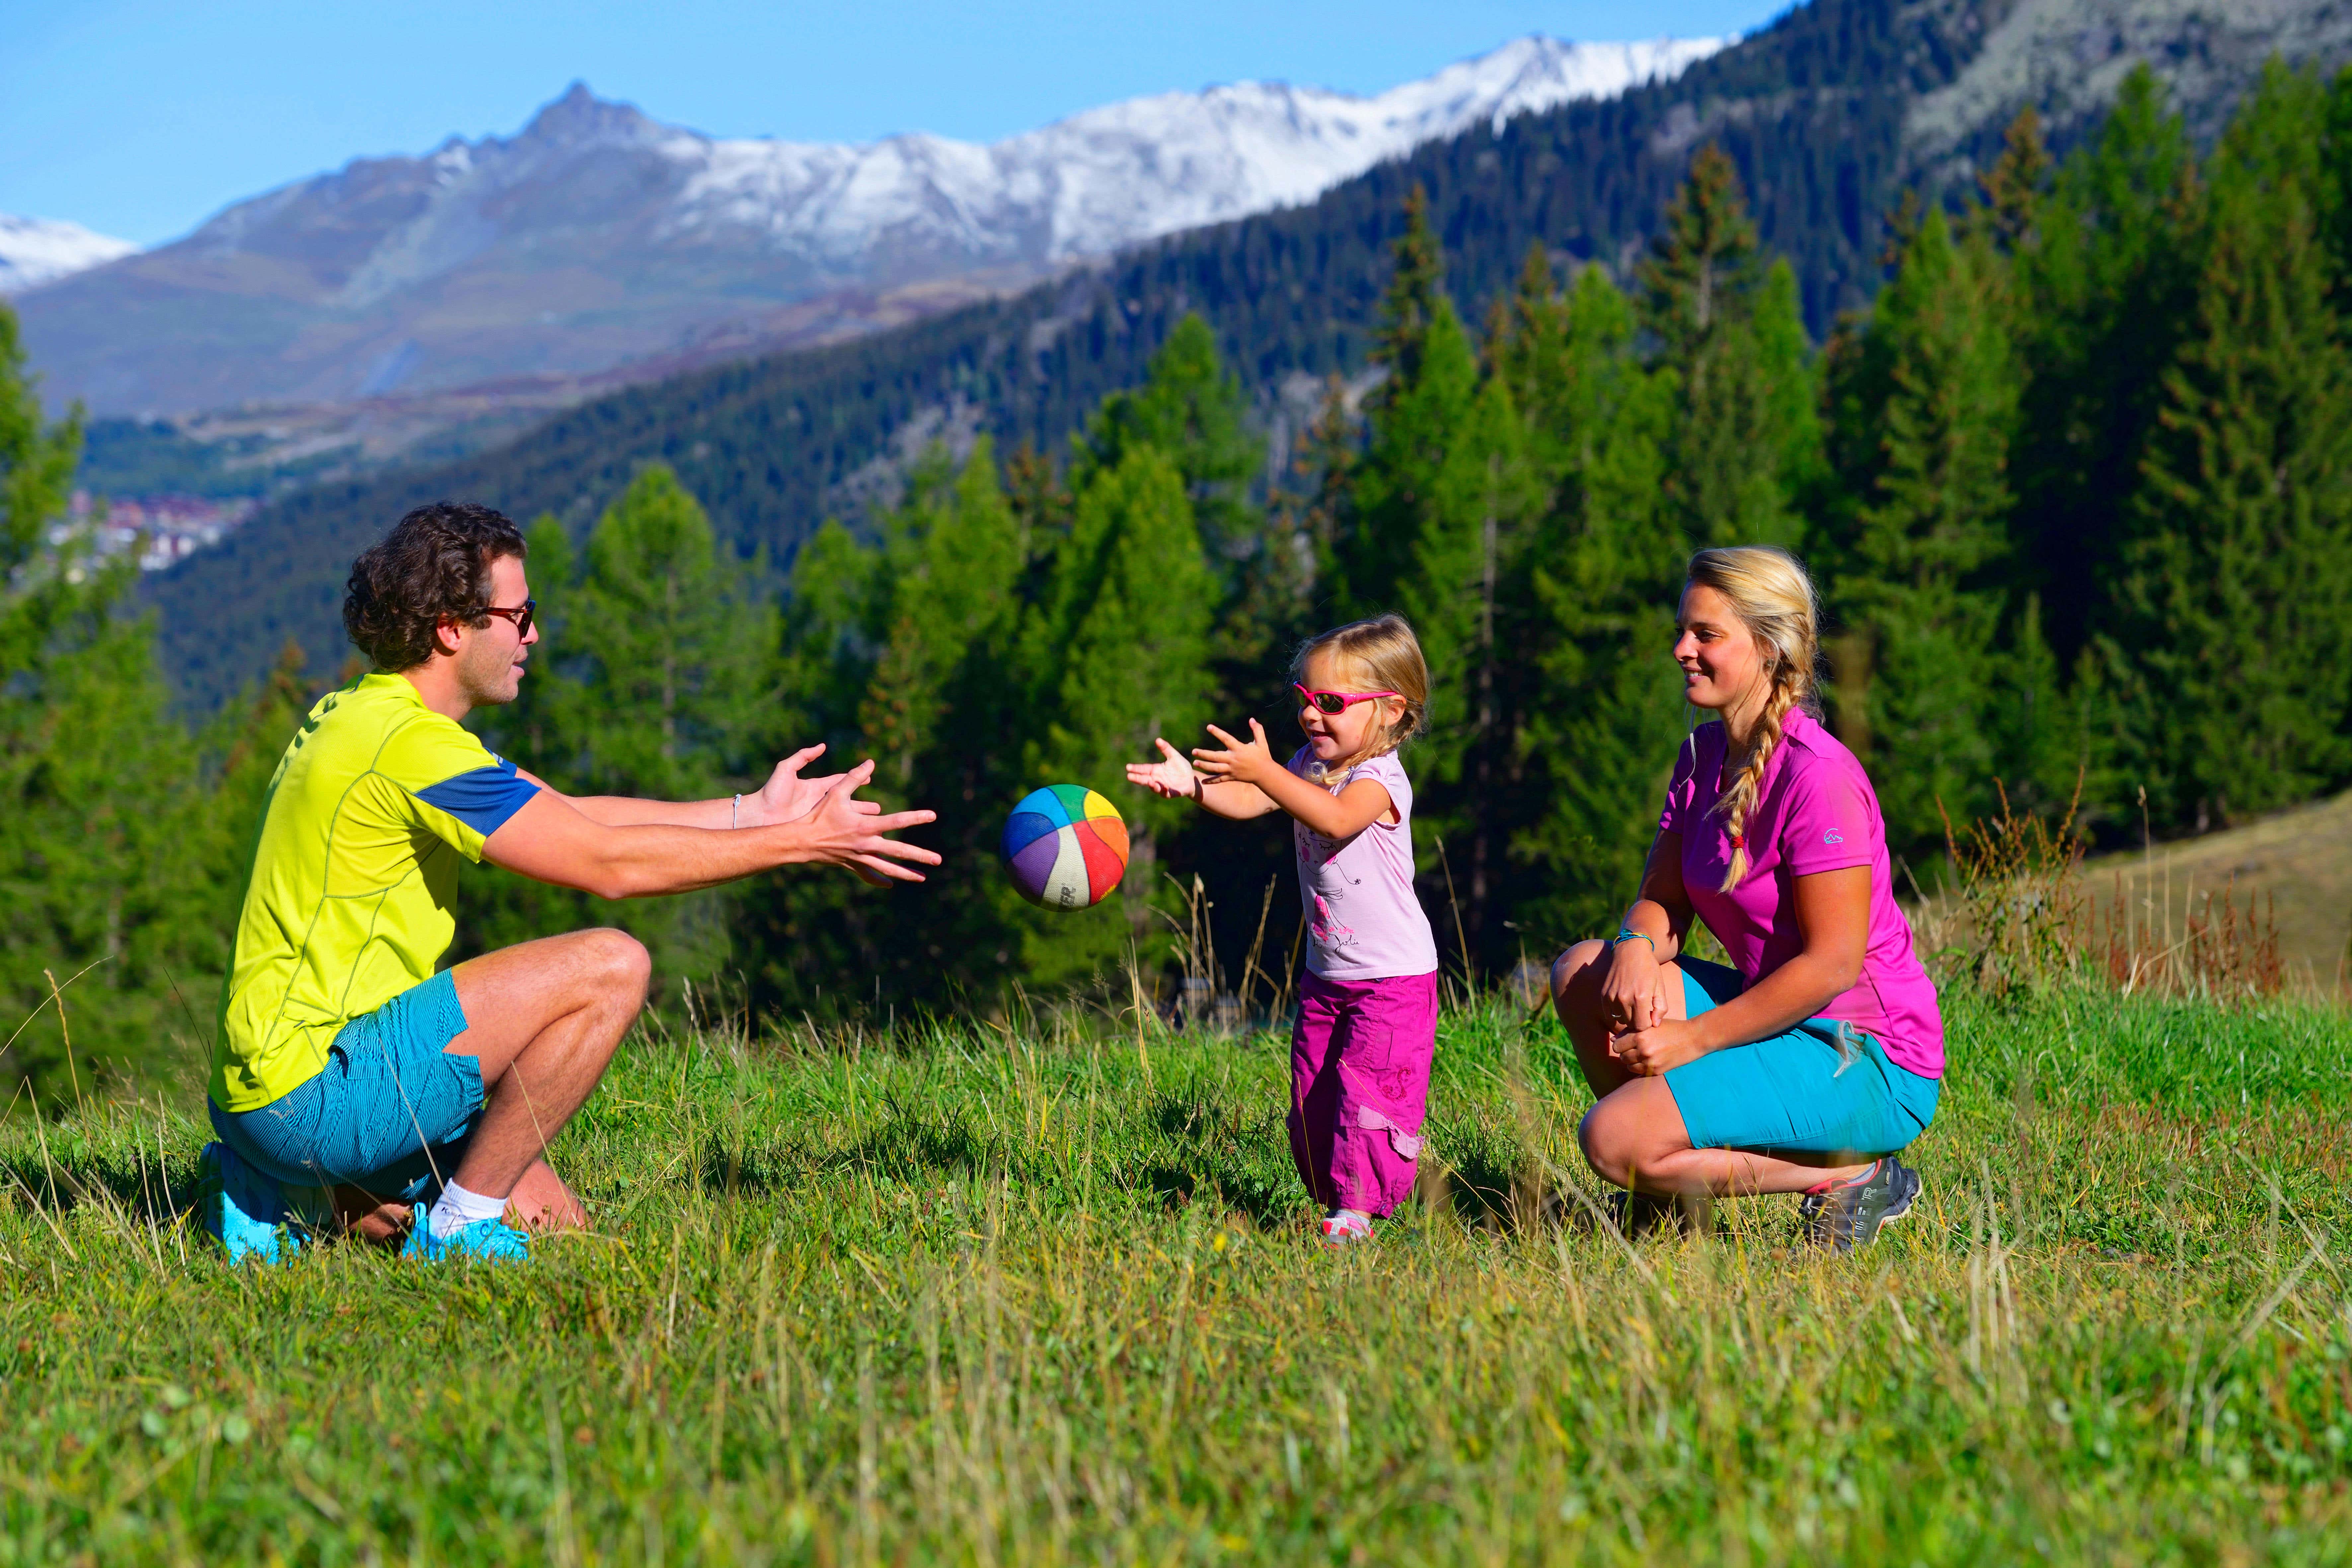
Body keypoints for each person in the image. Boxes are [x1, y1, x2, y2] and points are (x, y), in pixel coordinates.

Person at [198, 501, 940, 1264]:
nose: (533, 636)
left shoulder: (369, 716)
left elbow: (569, 816)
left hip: (268, 1085)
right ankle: (448, 1225)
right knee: (611, 965)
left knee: (554, 1222)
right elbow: (607, 867)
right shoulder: (411, 748)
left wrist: (748, 812)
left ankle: (274, 1184)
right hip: (311, 1085)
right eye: (519, 616)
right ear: (453, 626)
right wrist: (799, 843)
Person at [1550, 546, 1942, 1251]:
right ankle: (1665, 1193)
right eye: (1681, 630)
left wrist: (1692, 1037)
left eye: (1705, 634)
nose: (1680, 649)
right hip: (1782, 1022)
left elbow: (1831, 967)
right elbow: (1661, 899)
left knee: (1607, 1139)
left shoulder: (1818, 777)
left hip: (1870, 1056)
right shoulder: (1701, 759)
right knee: (1584, 971)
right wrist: (1636, 943)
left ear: (1768, 647)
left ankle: (1852, 1173)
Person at [1128, 614, 1440, 1246]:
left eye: (1331, 703)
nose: (1311, 716)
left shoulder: (1379, 782)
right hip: (1328, 976)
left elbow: (1331, 819)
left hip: (1394, 981)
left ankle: (1359, 1215)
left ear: (1390, 711)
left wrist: (1267, 772)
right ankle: (1336, 1201)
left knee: (1369, 1097)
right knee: (1313, 1102)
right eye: (1305, 700)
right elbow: (1252, 801)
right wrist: (1195, 786)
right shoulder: (1309, 763)